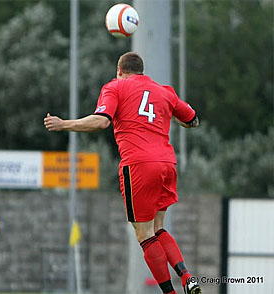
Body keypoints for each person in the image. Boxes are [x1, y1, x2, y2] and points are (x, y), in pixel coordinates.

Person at [44, 52, 201, 294]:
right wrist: (172, 115)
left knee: (144, 233)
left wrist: (64, 124)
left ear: (119, 71)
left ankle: (169, 292)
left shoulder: (115, 86)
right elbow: (192, 120)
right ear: (142, 71)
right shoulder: (165, 91)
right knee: (158, 227)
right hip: (167, 163)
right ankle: (187, 276)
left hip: (139, 164)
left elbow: (101, 121)